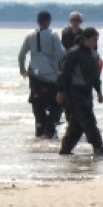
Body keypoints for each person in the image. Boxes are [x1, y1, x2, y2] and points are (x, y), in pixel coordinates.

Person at [55, 27, 103, 156]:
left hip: (87, 92)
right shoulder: (73, 53)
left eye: (97, 40)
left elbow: (96, 76)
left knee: (77, 124)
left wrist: (99, 92)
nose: (95, 42)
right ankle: (98, 146)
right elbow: (64, 73)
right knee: (88, 119)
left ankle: (65, 150)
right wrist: (60, 91)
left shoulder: (94, 55)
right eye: (93, 39)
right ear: (85, 39)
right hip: (74, 92)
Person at [19, 10, 64, 138]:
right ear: (49, 21)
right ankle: (51, 127)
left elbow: (21, 54)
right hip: (52, 76)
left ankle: (40, 128)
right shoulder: (53, 34)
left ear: (37, 22)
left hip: (34, 75)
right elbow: (61, 53)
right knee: (58, 104)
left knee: (37, 103)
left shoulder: (29, 35)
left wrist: (22, 70)